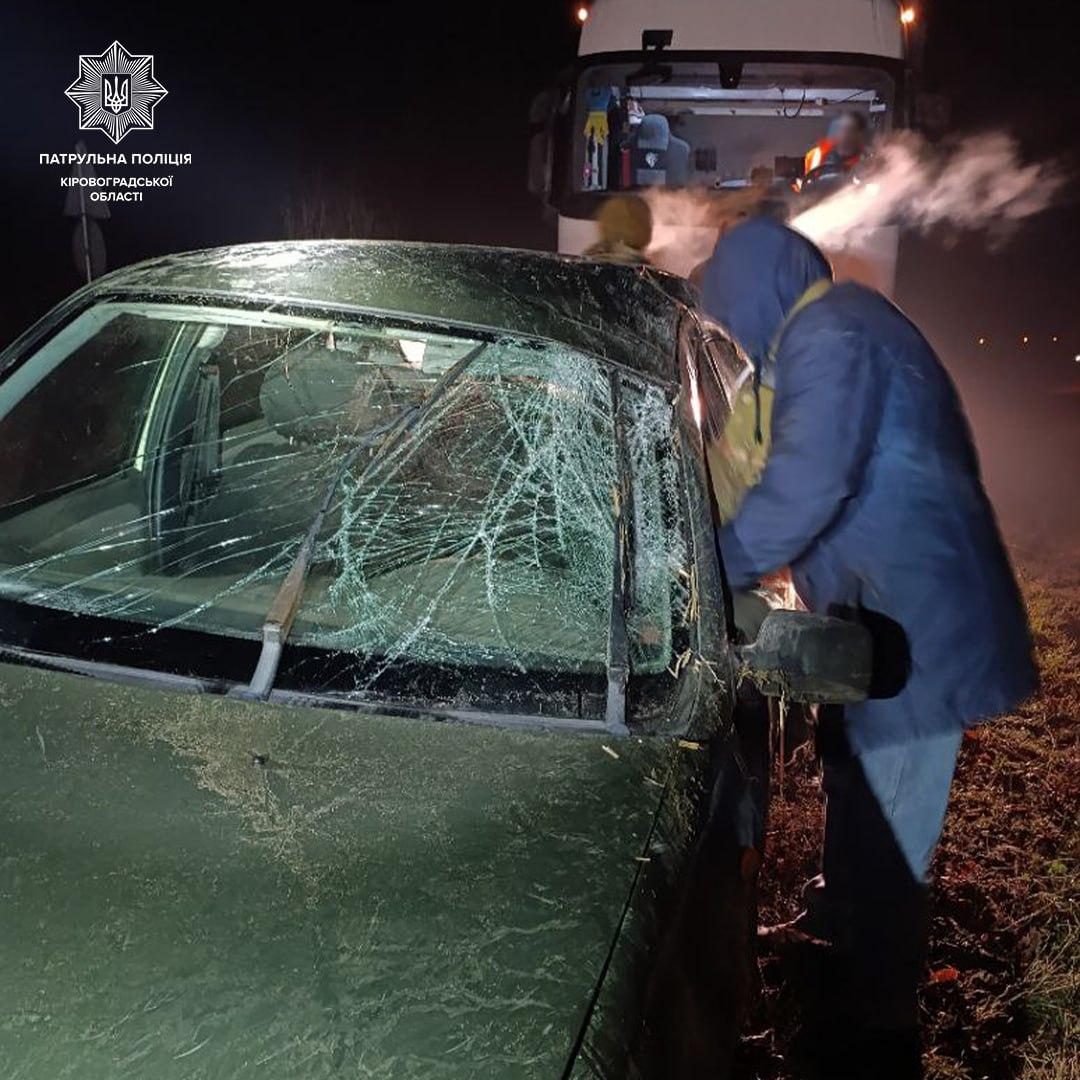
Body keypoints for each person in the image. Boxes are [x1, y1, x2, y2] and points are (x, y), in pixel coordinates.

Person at [700, 216, 1037, 1077]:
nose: (729, 321)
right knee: (853, 771)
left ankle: (879, 1029)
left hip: (922, 630)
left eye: (730, 301)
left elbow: (807, 487)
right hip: (875, 619)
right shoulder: (809, 340)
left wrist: (709, 567)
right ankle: (834, 920)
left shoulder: (836, 333)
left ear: (759, 289)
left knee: (894, 824)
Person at [803, 110, 869, 190]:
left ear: (859, 135)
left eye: (849, 130)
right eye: (840, 130)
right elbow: (807, 186)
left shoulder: (867, 160)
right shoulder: (816, 155)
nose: (844, 135)